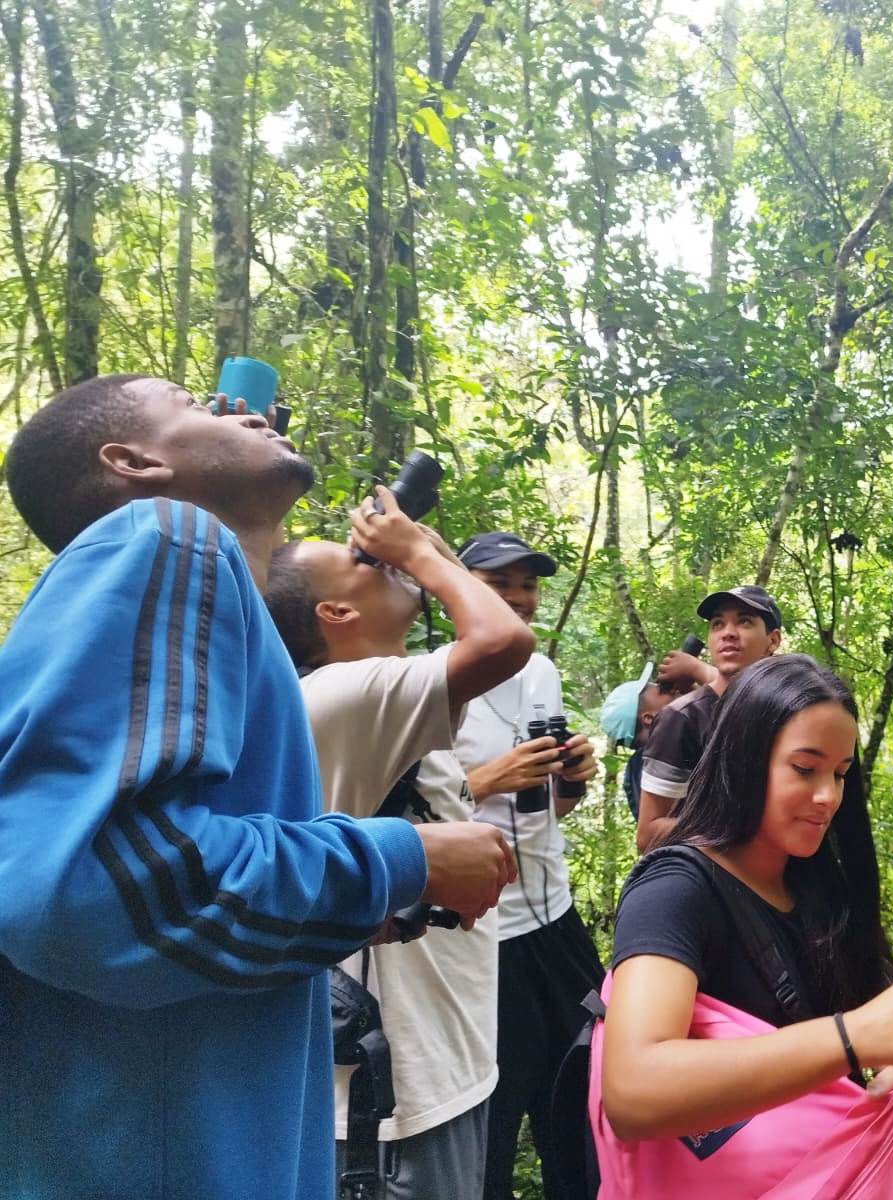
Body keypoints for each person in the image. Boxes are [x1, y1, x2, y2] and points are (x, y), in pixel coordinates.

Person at [0, 375, 513, 1200]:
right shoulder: (165, 538)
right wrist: (402, 857)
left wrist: (347, 909)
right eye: (196, 405)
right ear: (133, 461)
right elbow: (86, 888)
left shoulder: (211, 617)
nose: (247, 411)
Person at [265, 495, 534, 1197]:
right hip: (397, 1098)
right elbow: (503, 641)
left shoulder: (374, 695)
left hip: (437, 1061)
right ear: (336, 614)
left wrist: (425, 554)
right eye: (360, 562)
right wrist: (416, 554)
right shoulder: (346, 693)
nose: (381, 560)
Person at [603, 654, 893, 1152]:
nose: (827, 797)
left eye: (839, 774)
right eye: (804, 768)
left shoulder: (817, 882)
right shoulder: (674, 889)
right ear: (744, 757)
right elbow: (630, 1091)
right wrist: (850, 1039)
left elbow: (870, 1001)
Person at [446, 531, 606, 1200]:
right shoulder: (432, 683)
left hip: (556, 921)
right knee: (494, 1115)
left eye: (528, 584)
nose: (517, 598)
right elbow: (394, 822)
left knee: (583, 1097)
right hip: (484, 938)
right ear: (458, 591)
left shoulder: (540, 672)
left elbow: (545, 812)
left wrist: (574, 779)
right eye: (497, 583)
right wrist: (485, 779)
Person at [635, 584, 783, 852]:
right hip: (709, 882)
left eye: (744, 622)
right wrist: (746, 825)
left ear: (772, 641)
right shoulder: (681, 719)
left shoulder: (784, 714)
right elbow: (648, 835)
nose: (728, 633)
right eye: (717, 624)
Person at [599, 661, 673, 818]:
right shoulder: (669, 755)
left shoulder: (636, 768)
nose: (673, 691)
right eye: (661, 691)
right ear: (649, 718)